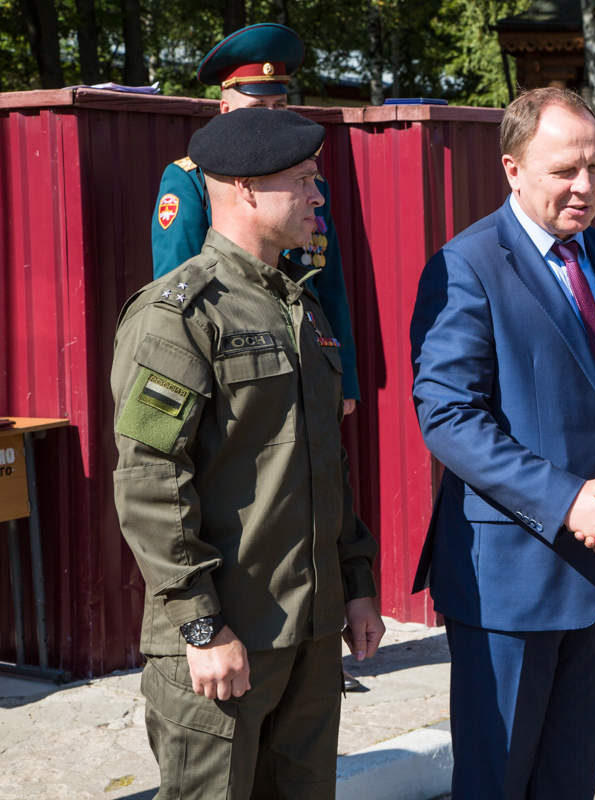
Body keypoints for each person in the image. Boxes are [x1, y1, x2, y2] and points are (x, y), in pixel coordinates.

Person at [112, 108, 384, 799]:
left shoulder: (301, 308)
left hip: (311, 639)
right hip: (225, 642)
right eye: (304, 181)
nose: (319, 197)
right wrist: (201, 625)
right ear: (246, 188)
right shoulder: (180, 314)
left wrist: (357, 585)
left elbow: (327, 464)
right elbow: (150, 481)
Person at [409, 87, 595, 800]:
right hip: (510, 581)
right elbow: (449, 417)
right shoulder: (468, 265)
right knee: (498, 779)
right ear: (513, 169)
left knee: (569, 777)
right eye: (564, 171)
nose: (585, 187)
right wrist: (566, 498)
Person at [150, 23, 361, 419]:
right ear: (225, 111)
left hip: (307, 360)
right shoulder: (189, 180)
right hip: (234, 367)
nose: (272, 121)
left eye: (280, 108)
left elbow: (327, 280)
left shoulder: (311, 185)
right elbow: (176, 288)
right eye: (257, 110)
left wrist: (343, 374)